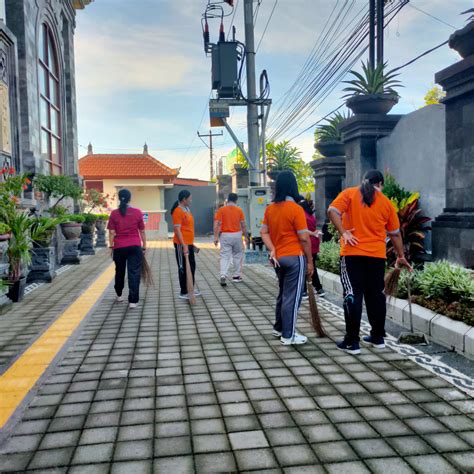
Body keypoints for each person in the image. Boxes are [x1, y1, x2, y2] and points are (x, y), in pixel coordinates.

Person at [328, 169, 411, 355]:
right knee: (376, 295)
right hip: (376, 257)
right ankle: (377, 337)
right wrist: (401, 256)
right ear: (380, 184)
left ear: (364, 181)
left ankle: (352, 342)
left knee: (352, 294)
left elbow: (332, 211)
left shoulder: (349, 194)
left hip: (352, 254)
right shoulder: (387, 204)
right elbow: (395, 233)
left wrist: (344, 232)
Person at [261, 171, 313, 345]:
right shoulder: (296, 209)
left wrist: (273, 248)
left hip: (278, 259)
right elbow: (304, 238)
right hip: (294, 258)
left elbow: (264, 232)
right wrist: (310, 262)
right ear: (293, 186)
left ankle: (278, 328)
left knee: (283, 294)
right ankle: (288, 335)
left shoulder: (270, 208)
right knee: (292, 297)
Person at [107, 188, 146, 309]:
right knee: (134, 273)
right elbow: (142, 231)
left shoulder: (114, 214)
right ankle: (133, 302)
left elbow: (112, 232)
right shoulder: (137, 212)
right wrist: (144, 245)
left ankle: (119, 295)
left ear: (119, 198)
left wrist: (111, 246)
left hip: (119, 247)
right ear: (130, 198)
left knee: (119, 271)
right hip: (134, 246)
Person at [213, 193, 249, 286]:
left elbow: (216, 223)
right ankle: (236, 276)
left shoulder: (221, 210)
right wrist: (246, 236)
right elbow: (243, 225)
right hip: (237, 235)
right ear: (236, 200)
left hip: (225, 235)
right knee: (237, 255)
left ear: (227, 200)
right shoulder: (239, 210)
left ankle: (223, 275)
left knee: (225, 256)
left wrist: (216, 237)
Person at [171, 190, 200, 299]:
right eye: (190, 198)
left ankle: (190, 288)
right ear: (184, 199)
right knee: (182, 267)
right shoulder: (178, 211)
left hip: (189, 243)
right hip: (180, 244)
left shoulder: (187, 209)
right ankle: (184, 291)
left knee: (192, 266)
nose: (191, 200)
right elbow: (177, 230)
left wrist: (191, 244)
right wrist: (183, 245)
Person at [298, 196, 325, 298]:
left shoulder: (302, 216)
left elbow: (303, 231)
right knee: (312, 265)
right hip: (314, 242)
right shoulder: (311, 215)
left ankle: (304, 291)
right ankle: (319, 288)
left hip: (307, 242)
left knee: (304, 266)